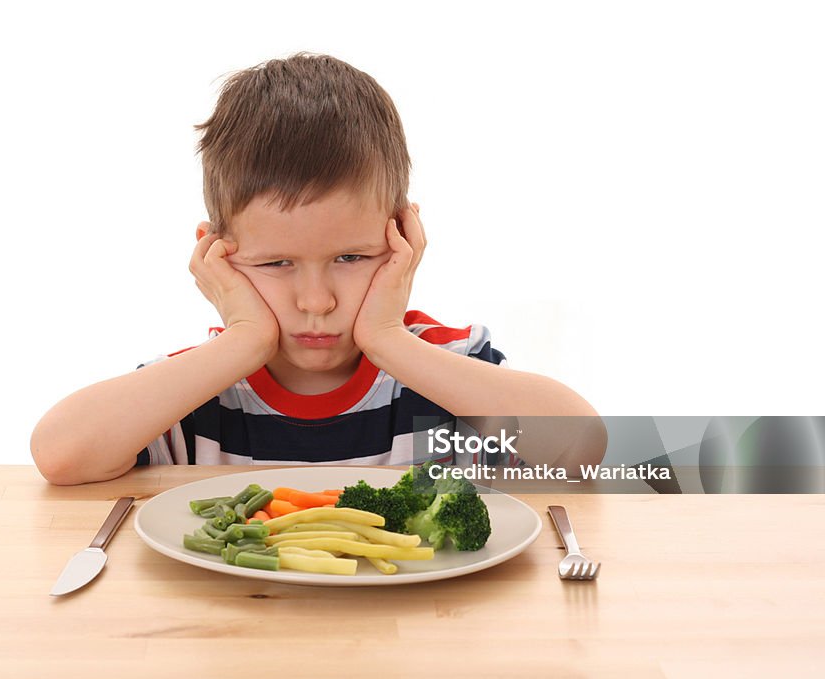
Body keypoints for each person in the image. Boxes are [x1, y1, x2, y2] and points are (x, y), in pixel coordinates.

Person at [30, 52, 606, 486]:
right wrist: (246, 339)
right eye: (277, 263)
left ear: (403, 237)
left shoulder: (446, 372)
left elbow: (582, 444)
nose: (316, 300)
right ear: (218, 257)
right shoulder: (197, 389)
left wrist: (386, 339)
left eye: (351, 258)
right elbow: (60, 453)